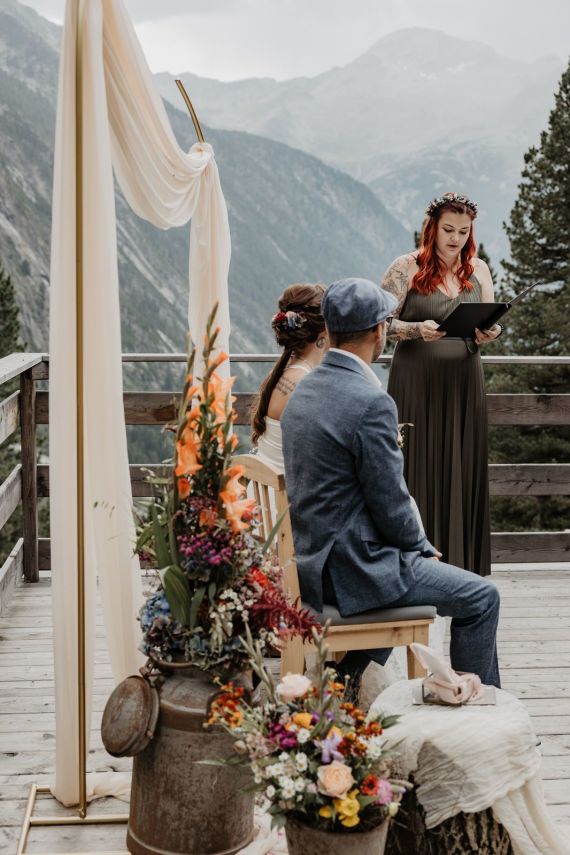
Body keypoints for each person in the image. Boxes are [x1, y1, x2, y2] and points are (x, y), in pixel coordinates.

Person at [281, 277, 501, 688]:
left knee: (406, 574)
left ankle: (339, 685)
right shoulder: (371, 402)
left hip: (313, 564)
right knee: (482, 598)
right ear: (380, 331)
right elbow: (391, 503)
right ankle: (477, 714)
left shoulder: (304, 390)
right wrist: (421, 548)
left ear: (328, 329)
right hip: (355, 570)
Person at [381, 192, 501, 577]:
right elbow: (379, 324)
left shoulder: (479, 270)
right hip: (416, 380)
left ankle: (462, 565)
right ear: (432, 228)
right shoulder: (405, 267)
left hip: (465, 381)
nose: (455, 239)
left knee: (463, 464)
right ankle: (414, 563)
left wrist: (489, 333)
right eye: (448, 230)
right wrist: (417, 329)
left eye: (463, 232)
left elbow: (491, 321)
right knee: (414, 463)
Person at [251, 283, 327, 470]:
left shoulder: (280, 374)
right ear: (324, 332)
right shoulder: (308, 384)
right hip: (288, 496)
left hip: (266, 493)